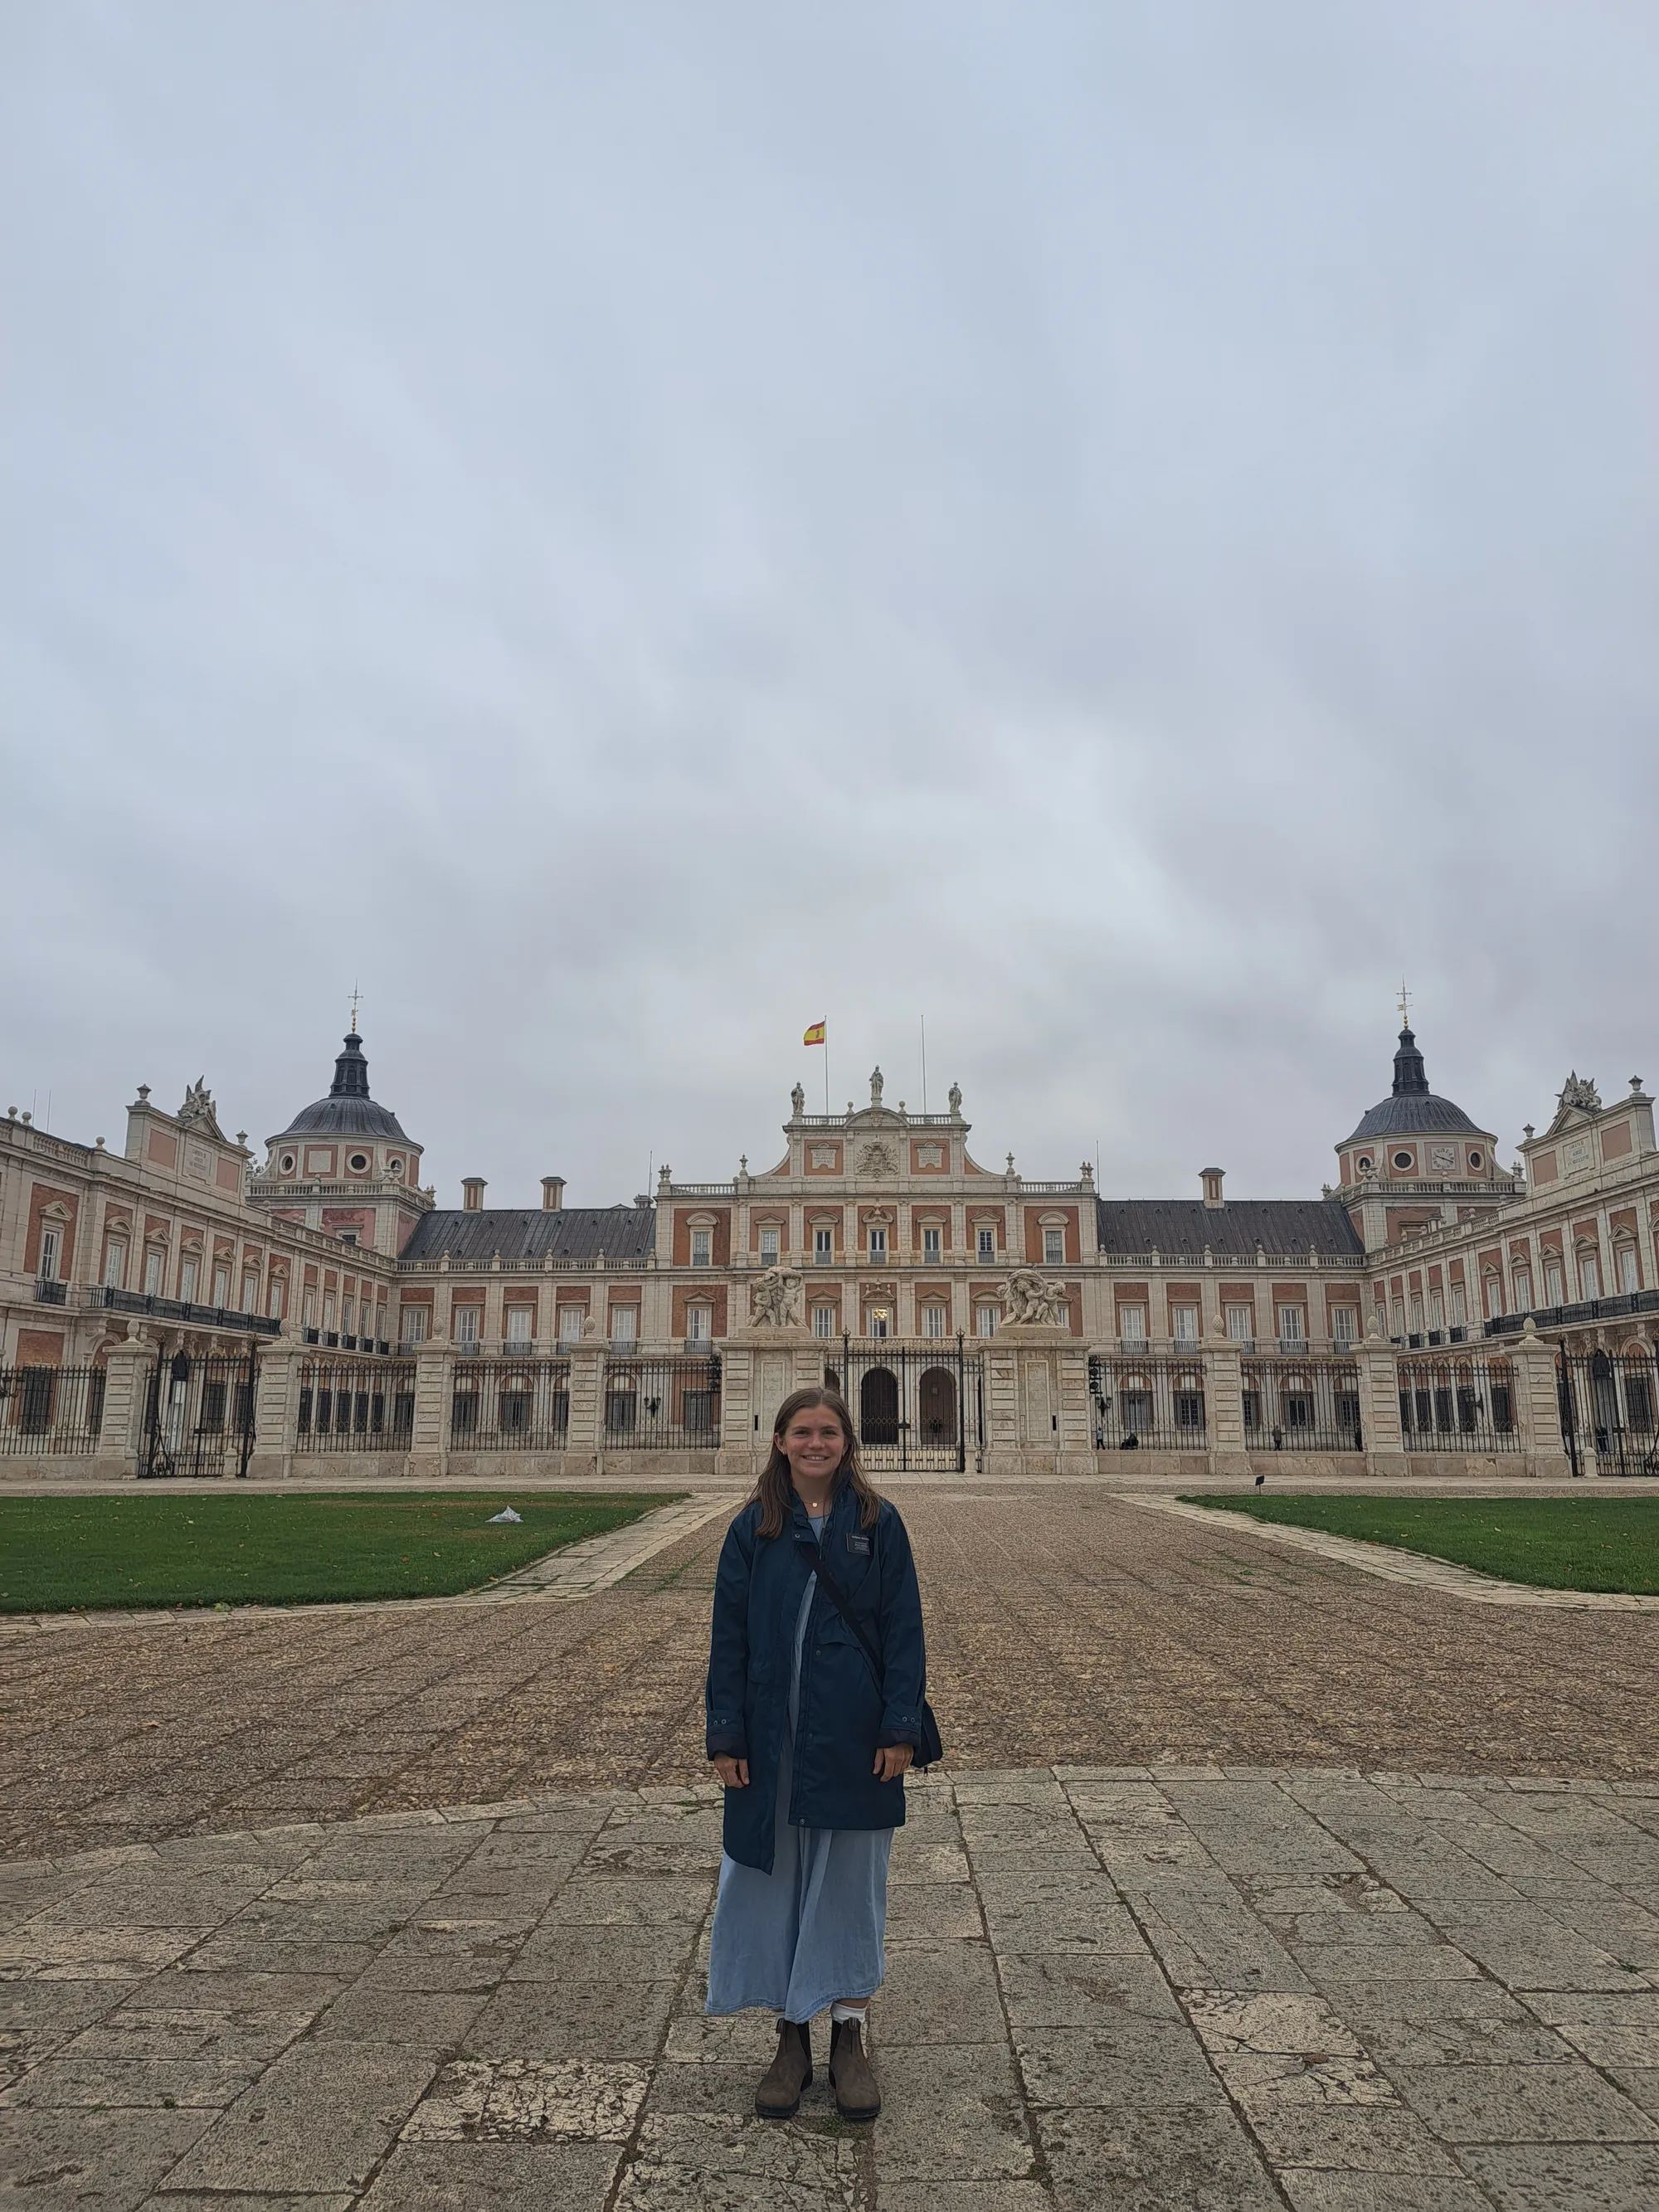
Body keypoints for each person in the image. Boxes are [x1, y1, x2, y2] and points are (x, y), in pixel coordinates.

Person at [704, 1385, 927, 2122]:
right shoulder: (753, 1527)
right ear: (779, 1441)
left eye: (828, 1431)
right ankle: (790, 2035)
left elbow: (904, 1629)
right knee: (775, 1881)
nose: (815, 1443)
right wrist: (726, 1733)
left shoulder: (878, 1522)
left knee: (852, 1884)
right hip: (773, 1732)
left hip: (854, 1732)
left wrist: (900, 1726)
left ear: (846, 1442)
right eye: (802, 1431)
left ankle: (849, 2034)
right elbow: (728, 1636)